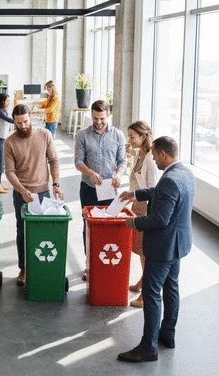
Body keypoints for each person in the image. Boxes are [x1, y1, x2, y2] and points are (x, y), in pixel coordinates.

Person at [117, 136, 195, 363]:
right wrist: (135, 194)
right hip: (178, 244)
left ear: (163, 154)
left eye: (154, 154)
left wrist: (134, 223)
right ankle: (167, 335)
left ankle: (148, 347)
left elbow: (161, 218)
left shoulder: (170, 179)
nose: (152, 158)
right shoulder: (184, 173)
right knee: (171, 289)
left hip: (163, 247)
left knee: (151, 293)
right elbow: (161, 193)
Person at [4, 104, 64, 286]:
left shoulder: (45, 135)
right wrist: (22, 190)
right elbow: (10, 172)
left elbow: (53, 160)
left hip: (44, 191)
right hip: (21, 194)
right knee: (22, 231)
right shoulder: (10, 142)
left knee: (42, 231)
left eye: (25, 121)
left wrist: (55, 184)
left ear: (31, 116)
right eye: (18, 123)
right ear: (14, 121)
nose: (22, 126)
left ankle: (41, 265)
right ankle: (23, 268)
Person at [74, 99, 127, 280]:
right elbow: (78, 162)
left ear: (108, 116)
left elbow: (122, 162)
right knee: (89, 225)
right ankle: (90, 264)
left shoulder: (118, 136)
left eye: (102, 119)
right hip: (89, 187)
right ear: (91, 115)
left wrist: (119, 175)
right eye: (95, 118)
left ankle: (106, 262)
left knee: (110, 225)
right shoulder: (83, 135)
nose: (98, 122)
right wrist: (90, 173)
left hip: (110, 188)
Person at [126, 120, 161, 307]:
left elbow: (153, 189)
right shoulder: (140, 154)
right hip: (137, 206)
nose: (129, 139)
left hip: (145, 209)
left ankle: (145, 295)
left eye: (132, 136)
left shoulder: (151, 160)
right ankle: (142, 281)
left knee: (146, 251)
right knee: (140, 250)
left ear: (143, 136)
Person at [0, 93, 14, 193]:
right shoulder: (0, 112)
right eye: (7, 101)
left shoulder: (4, 111)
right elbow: (10, 120)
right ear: (2, 101)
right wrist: (22, 119)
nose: (9, 103)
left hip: (2, 139)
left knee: (1, 162)